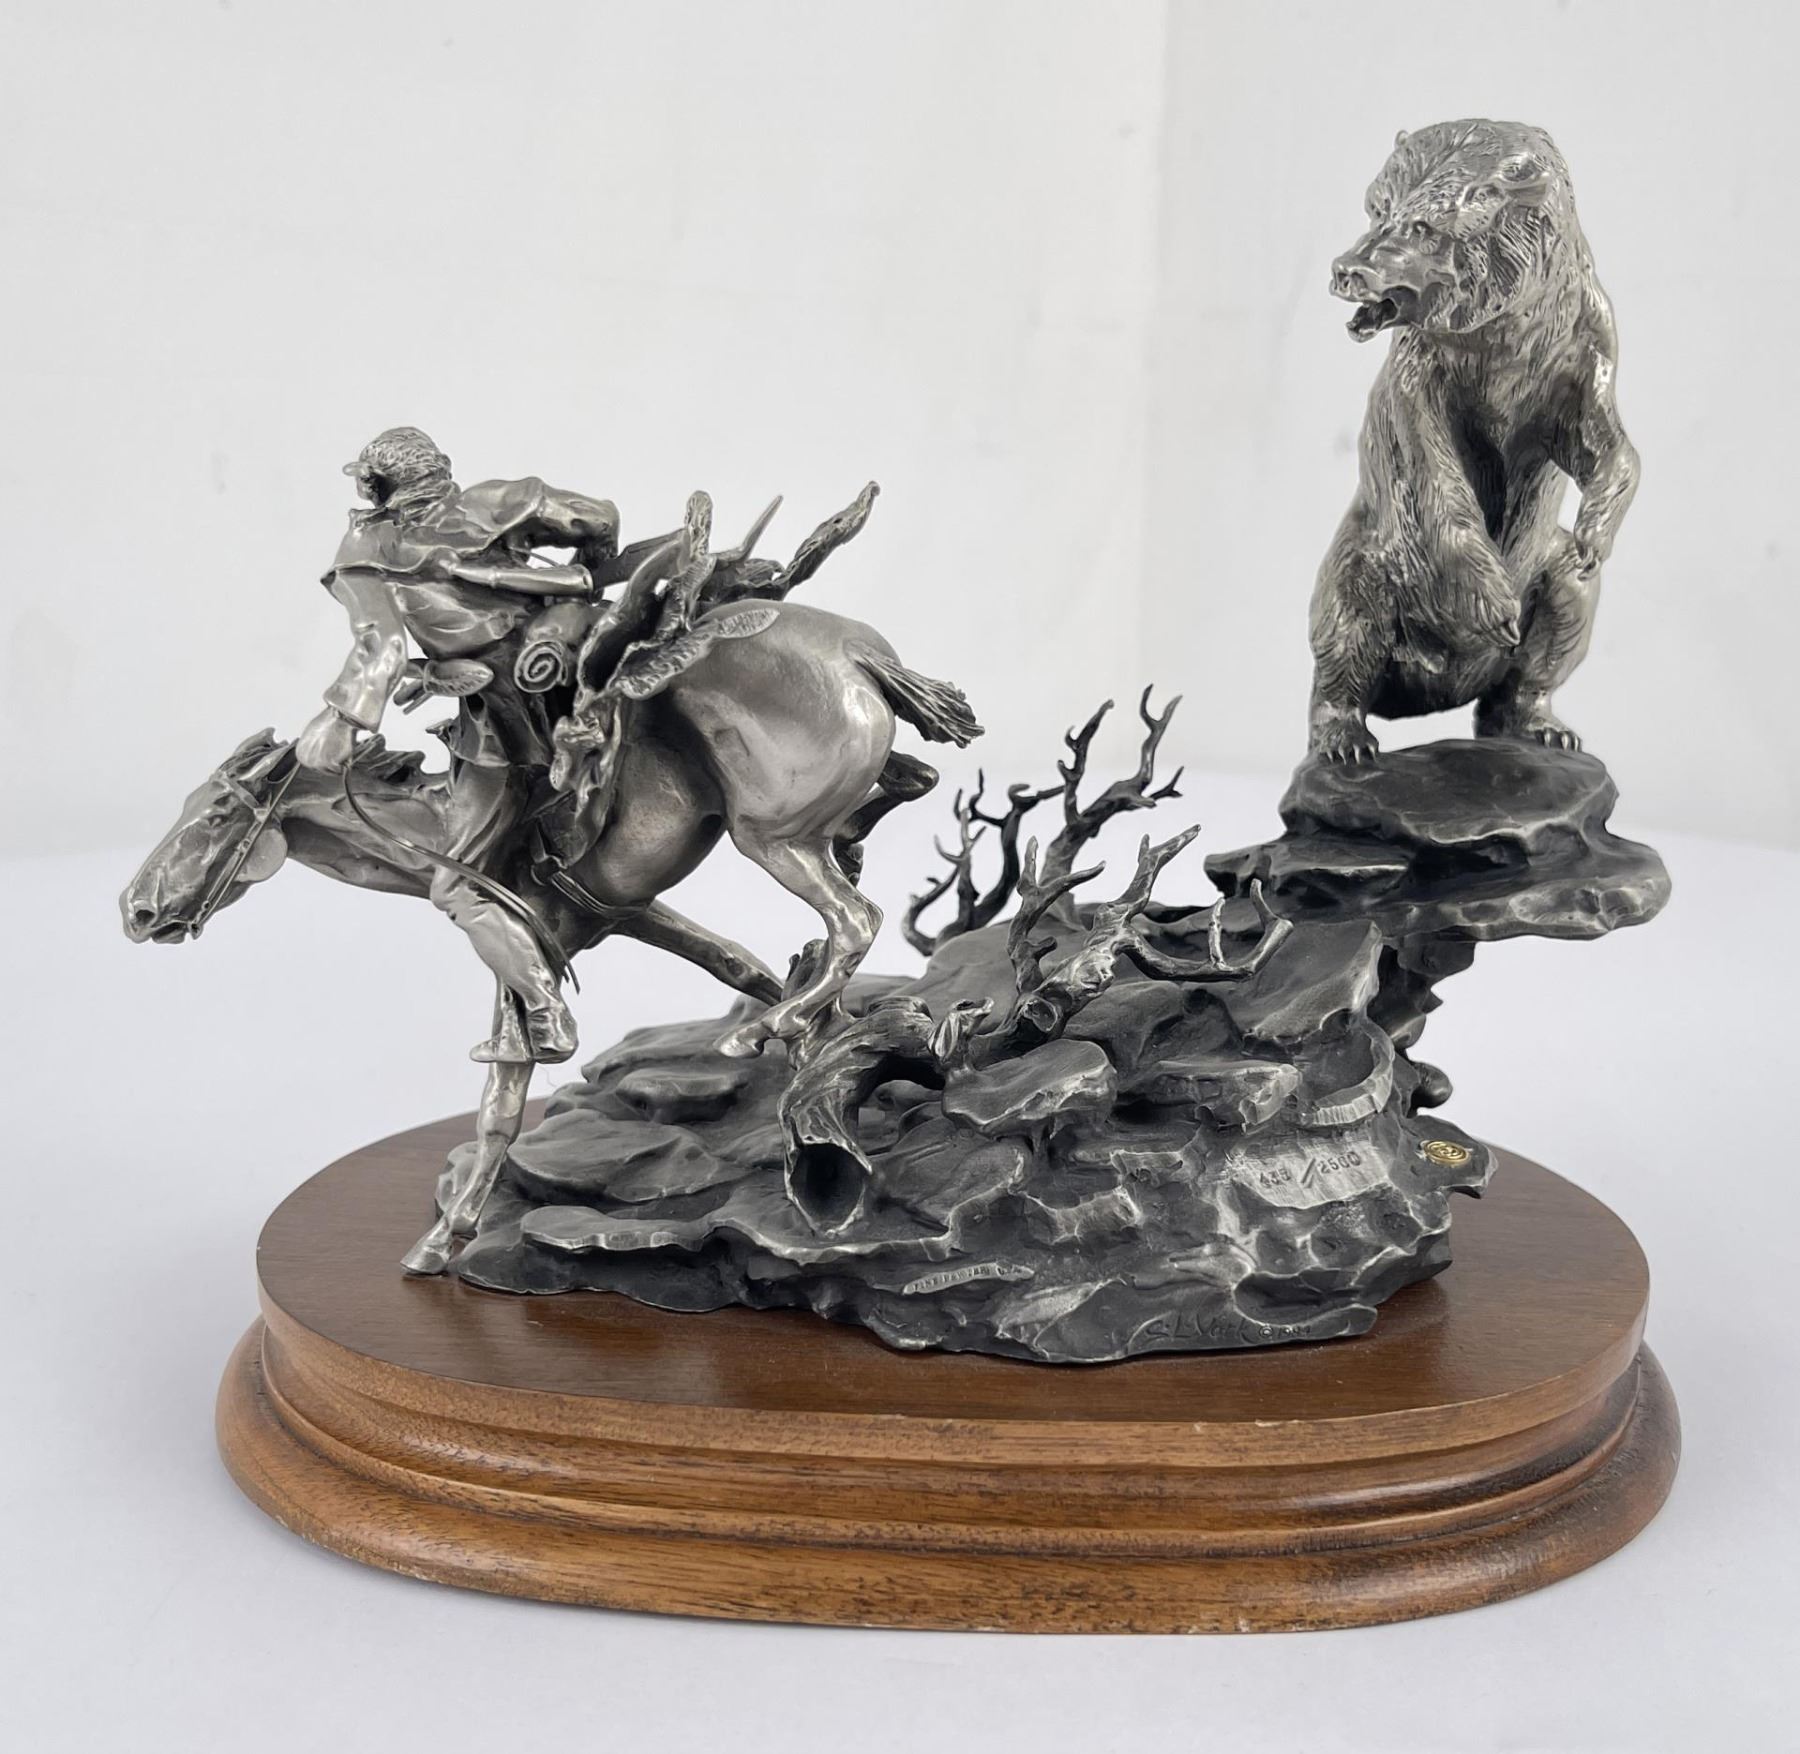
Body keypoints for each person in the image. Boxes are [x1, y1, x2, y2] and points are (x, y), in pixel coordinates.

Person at [294, 427, 619, 1062]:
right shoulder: (498, 500)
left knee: (455, 886)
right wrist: (586, 581)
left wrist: (341, 719)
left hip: (503, 721)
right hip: (580, 670)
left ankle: (548, 1015)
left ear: (376, 486)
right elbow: (599, 517)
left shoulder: (369, 548)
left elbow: (381, 645)